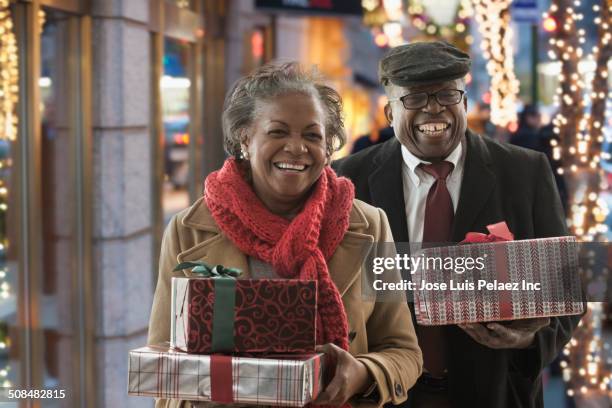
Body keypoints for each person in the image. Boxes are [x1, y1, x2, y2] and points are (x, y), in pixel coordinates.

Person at [148, 62, 423, 408]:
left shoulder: (369, 224)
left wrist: (361, 374)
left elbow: (404, 352)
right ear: (245, 138)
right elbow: (164, 369)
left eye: (312, 135)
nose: (296, 148)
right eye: (278, 132)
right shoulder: (187, 231)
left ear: (328, 148)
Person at [333, 41, 581, 408]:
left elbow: (566, 293)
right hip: (382, 395)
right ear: (388, 112)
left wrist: (527, 340)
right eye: (414, 98)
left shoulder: (525, 171)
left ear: (464, 103)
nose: (434, 108)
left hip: (496, 390)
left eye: (447, 94)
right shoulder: (348, 179)